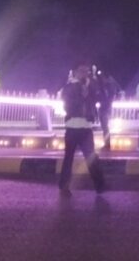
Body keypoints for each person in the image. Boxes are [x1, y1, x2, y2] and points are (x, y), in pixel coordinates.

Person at [58, 63, 105, 196]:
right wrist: (82, 95)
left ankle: (100, 185)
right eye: (81, 71)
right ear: (75, 72)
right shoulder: (68, 88)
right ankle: (64, 185)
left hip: (86, 127)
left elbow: (100, 98)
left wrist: (92, 86)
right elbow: (68, 105)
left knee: (91, 157)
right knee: (69, 158)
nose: (84, 73)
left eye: (86, 71)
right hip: (72, 127)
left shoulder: (91, 86)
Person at [97, 70, 120, 151]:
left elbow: (106, 98)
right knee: (104, 127)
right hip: (105, 107)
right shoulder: (110, 86)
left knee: (105, 127)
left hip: (105, 108)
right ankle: (107, 143)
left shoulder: (108, 86)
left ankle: (107, 144)